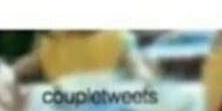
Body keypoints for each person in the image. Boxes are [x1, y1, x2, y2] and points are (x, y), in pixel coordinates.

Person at [14, 31, 153, 82]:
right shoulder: (52, 43)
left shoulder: (118, 38)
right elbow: (21, 69)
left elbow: (139, 69)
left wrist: (144, 78)